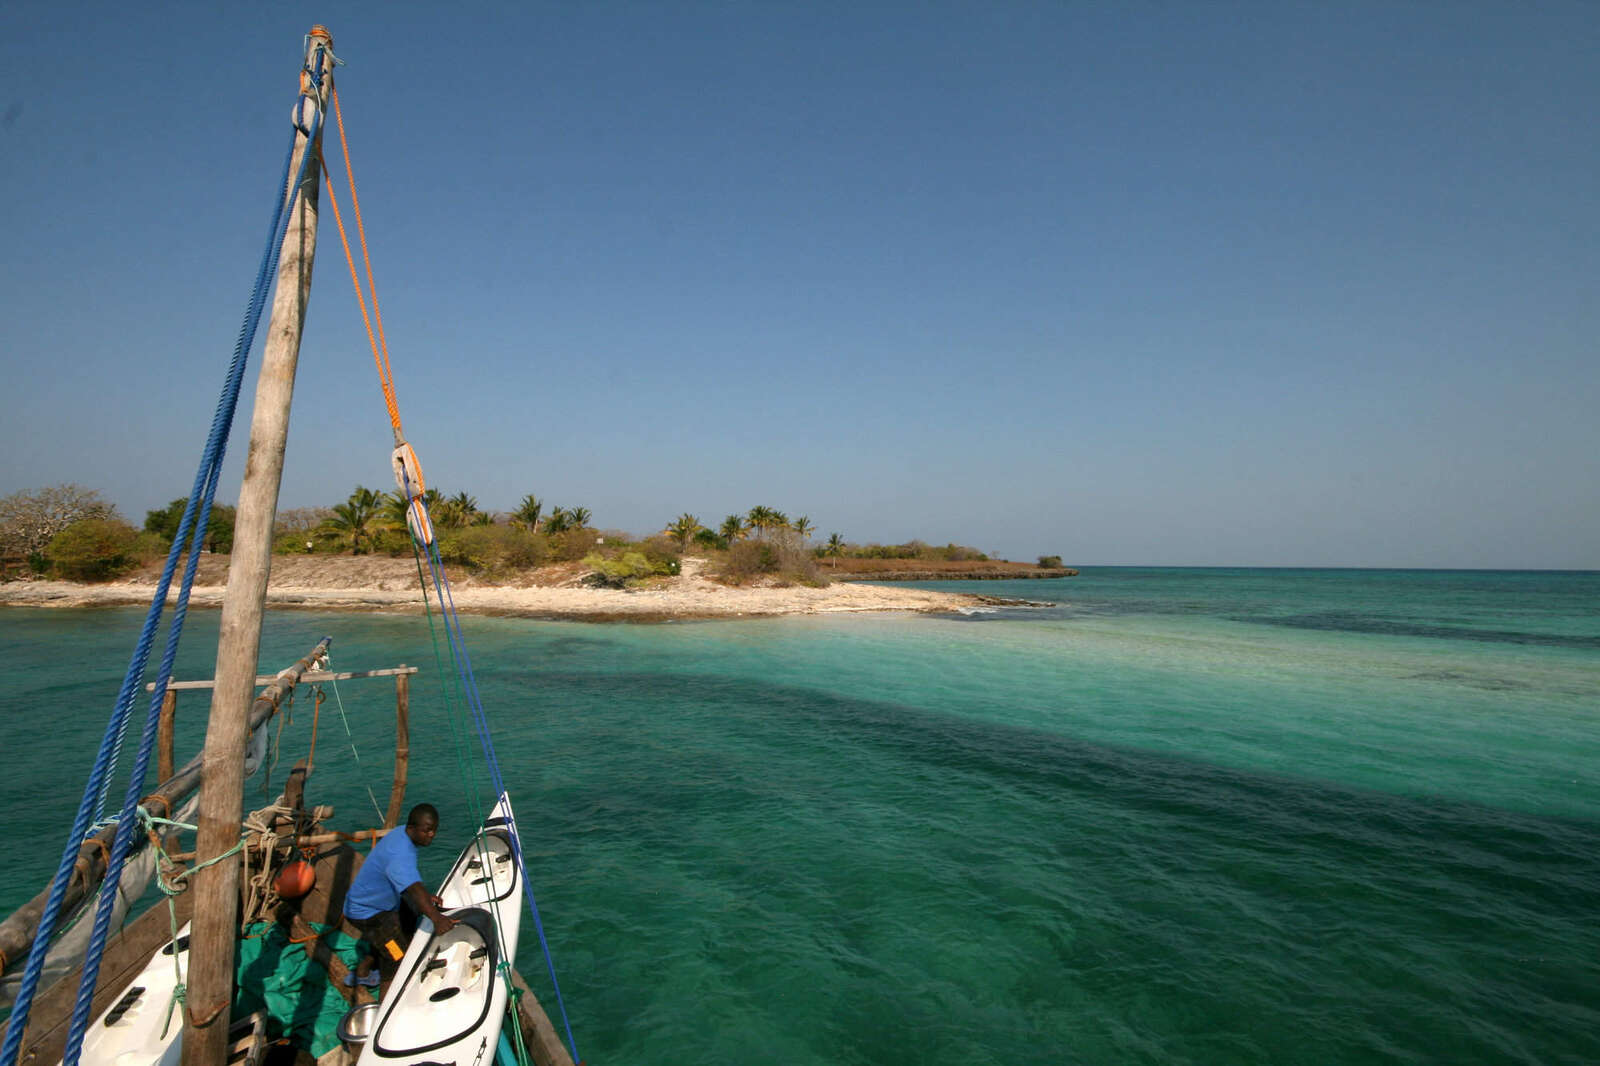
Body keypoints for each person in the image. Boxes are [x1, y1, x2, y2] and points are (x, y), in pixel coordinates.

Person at [343, 803, 456, 987]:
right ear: (412, 828)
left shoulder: (402, 833)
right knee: (396, 957)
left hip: (382, 902)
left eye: (434, 830)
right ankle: (385, 1008)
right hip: (367, 912)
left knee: (405, 920)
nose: (432, 835)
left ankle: (363, 972)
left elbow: (412, 884)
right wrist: (437, 919)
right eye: (427, 830)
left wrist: (426, 898)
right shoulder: (400, 853)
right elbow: (413, 888)